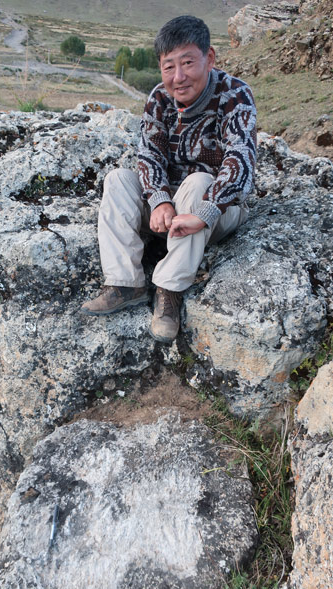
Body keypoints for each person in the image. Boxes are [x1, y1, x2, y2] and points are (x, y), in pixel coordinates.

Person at [81, 15, 257, 343]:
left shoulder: (234, 95)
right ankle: (124, 282)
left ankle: (169, 291)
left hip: (217, 209)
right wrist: (158, 198)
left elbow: (240, 162)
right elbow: (149, 155)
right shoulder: (159, 98)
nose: (178, 77)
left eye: (188, 63)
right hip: (173, 206)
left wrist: (204, 212)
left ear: (210, 57)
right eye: (168, 67)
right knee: (118, 179)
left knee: (199, 183)